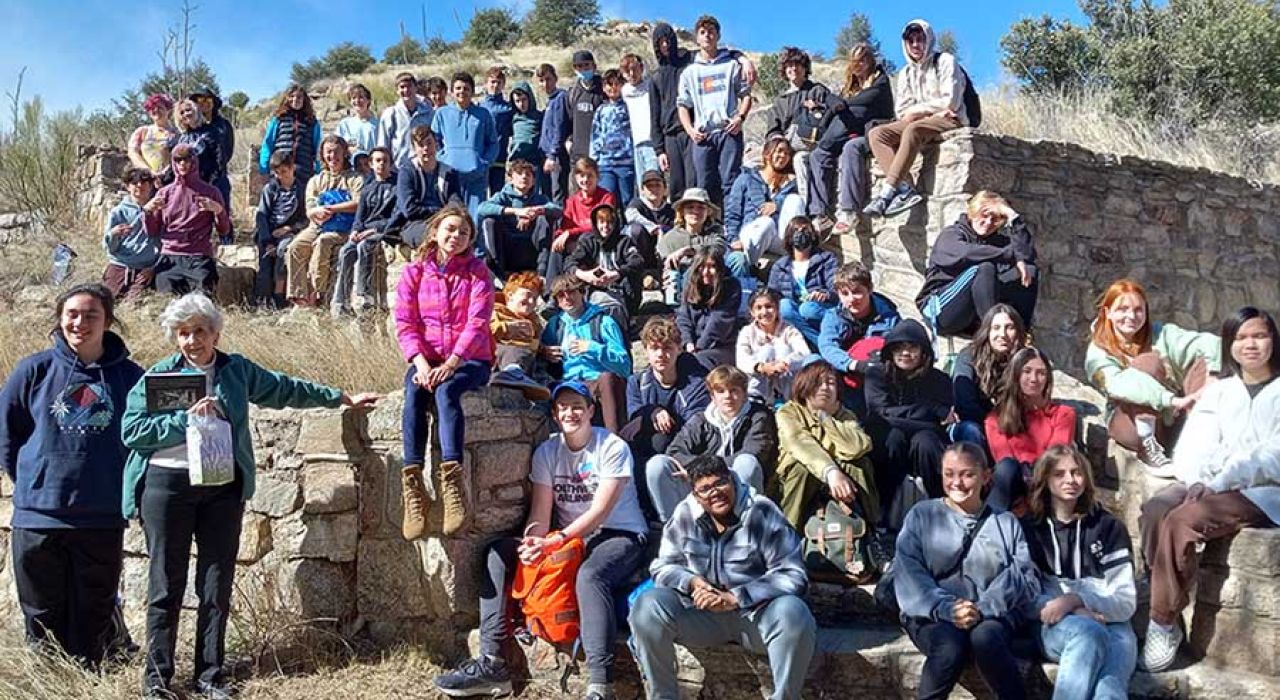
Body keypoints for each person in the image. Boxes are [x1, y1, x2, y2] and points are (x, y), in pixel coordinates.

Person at [121, 293, 378, 697]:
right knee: (165, 584)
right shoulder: (159, 376)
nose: (192, 341)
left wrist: (340, 397)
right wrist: (183, 421)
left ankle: (209, 677)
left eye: (200, 331)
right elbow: (132, 431)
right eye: (184, 333)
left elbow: (284, 389)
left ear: (215, 334)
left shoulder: (235, 371)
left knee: (216, 583)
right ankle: (157, 680)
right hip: (167, 487)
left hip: (221, 487)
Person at [432, 381, 648, 700]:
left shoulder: (611, 447)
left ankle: (600, 685)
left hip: (618, 533)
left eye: (578, 406)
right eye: (563, 408)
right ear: (555, 415)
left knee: (590, 576)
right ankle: (492, 663)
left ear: (591, 411)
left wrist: (555, 540)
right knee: (498, 553)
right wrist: (533, 544)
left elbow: (600, 511)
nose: (570, 413)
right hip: (566, 538)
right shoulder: (548, 451)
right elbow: (541, 513)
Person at [0, 284, 144, 667]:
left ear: (108, 321)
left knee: (92, 617)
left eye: (91, 315)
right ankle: (48, 681)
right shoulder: (33, 371)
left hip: (101, 517)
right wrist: (35, 482)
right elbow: (7, 436)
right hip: (39, 517)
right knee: (41, 616)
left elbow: (145, 439)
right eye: (72, 315)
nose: (81, 322)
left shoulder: (130, 378)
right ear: (60, 319)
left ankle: (87, 682)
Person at [1138, 306, 1280, 672]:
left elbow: (1271, 458)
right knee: (1156, 510)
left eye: (1259, 336)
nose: (1251, 344)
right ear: (1229, 344)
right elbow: (1193, 444)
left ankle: (1162, 621)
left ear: (1273, 341)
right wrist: (1198, 480)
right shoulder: (1221, 391)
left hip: (1263, 492)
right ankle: (1164, 600)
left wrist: (1217, 484)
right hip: (1206, 482)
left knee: (1183, 521)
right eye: (1241, 337)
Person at [630, 454, 815, 700]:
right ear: (695, 495)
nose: (715, 493)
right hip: (702, 615)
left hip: (756, 617)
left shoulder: (761, 511)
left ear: (732, 480)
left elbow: (793, 574)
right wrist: (693, 583)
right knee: (646, 606)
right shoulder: (685, 513)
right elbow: (662, 566)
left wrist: (735, 597)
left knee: (794, 612)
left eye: (720, 483)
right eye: (705, 489)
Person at [893, 442, 1040, 700]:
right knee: (949, 647)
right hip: (934, 614)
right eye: (949, 474)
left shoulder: (1005, 522)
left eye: (967, 474)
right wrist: (948, 609)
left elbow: (1022, 574)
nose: (957, 483)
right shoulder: (921, 515)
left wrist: (982, 608)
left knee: (986, 638)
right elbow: (909, 572)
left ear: (986, 476)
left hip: (992, 613)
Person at [395, 207, 493, 540]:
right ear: (435, 231)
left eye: (463, 232)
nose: (456, 237)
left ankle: (452, 486)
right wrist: (421, 364)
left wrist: (452, 363)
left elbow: (477, 323)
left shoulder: (478, 273)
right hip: (427, 360)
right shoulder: (414, 272)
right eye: (450, 229)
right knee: (414, 392)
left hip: (470, 360)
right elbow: (405, 322)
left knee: (446, 391)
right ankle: (413, 487)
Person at [1023, 445, 1137, 700]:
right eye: (1059, 474)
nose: (1070, 480)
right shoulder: (1030, 530)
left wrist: (1078, 600)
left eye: (1076, 472)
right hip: (1058, 627)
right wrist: (1074, 610)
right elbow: (1029, 600)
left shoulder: (1109, 527)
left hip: (1113, 623)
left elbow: (1125, 601)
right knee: (1087, 633)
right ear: (1045, 480)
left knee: (1109, 689)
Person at [1085, 279, 1220, 474]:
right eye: (1123, 309)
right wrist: (1171, 400)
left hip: (1173, 419)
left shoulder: (1162, 334)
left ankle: (1203, 443)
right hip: (1131, 425)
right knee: (1148, 362)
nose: (1131, 316)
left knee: (1205, 363)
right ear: (1108, 313)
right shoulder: (1097, 352)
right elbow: (1121, 385)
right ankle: (1150, 448)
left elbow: (1211, 342)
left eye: (1138, 310)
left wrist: (1212, 376)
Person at [863, 19, 973, 218]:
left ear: (928, 40)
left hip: (951, 119)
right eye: (910, 41)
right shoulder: (906, 73)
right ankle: (905, 188)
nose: (915, 45)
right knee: (877, 134)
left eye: (920, 39)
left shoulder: (945, 61)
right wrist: (925, 112)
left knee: (912, 130)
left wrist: (918, 112)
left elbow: (951, 101)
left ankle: (887, 193)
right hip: (927, 118)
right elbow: (902, 111)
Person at [645, 365, 776, 522]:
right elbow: (674, 450)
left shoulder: (759, 416)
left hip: (735, 482)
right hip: (699, 485)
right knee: (658, 464)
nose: (727, 396)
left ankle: (743, 525)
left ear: (744, 394)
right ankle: (676, 527)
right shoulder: (701, 419)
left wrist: (707, 472)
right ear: (712, 396)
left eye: (734, 390)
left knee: (746, 462)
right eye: (721, 391)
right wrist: (698, 472)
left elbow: (754, 452)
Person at [772, 360, 879, 531]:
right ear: (804, 386)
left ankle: (870, 528)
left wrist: (826, 418)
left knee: (859, 464)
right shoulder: (788, 411)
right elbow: (799, 442)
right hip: (802, 477)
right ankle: (788, 532)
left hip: (839, 478)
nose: (825, 388)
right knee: (800, 469)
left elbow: (857, 447)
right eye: (817, 383)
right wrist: (831, 471)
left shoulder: (845, 415)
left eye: (830, 383)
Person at [917, 191, 1038, 338]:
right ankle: (993, 333)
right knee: (984, 268)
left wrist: (1012, 216)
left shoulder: (999, 243)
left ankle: (1020, 335)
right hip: (939, 310)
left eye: (995, 219)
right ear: (973, 213)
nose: (988, 222)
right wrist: (1010, 255)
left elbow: (1026, 256)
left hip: (972, 316)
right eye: (984, 215)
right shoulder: (952, 234)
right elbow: (965, 253)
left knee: (1029, 271)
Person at [808, 42, 895, 234]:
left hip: (875, 133)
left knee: (851, 148)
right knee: (817, 155)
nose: (859, 64)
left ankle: (849, 212)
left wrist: (834, 101)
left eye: (863, 59)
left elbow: (863, 101)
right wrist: (833, 103)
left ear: (870, 60)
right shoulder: (850, 88)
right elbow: (838, 109)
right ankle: (820, 214)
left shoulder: (880, 82)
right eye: (855, 60)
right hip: (850, 132)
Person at [865, 319, 953, 504]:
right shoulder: (877, 375)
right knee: (893, 437)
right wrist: (928, 411)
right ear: (890, 351)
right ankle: (882, 507)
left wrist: (896, 415)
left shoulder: (939, 380)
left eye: (912, 347)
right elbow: (879, 413)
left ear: (923, 351)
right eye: (899, 348)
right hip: (889, 437)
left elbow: (941, 425)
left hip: (924, 440)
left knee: (927, 442)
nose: (905, 353)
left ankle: (942, 503)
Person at [985, 347, 1077, 512]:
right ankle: (989, 524)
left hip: (1045, 483)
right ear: (1016, 375)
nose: (1034, 379)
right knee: (1007, 467)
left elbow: (1054, 458)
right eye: (1027, 371)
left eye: (1041, 373)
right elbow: (1004, 461)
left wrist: (1029, 502)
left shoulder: (1064, 415)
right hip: (1013, 486)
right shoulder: (995, 419)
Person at [539, 274, 632, 432]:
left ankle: (614, 438)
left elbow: (624, 366)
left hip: (597, 382)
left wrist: (593, 348)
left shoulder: (604, 322)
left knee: (607, 378)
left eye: (571, 292)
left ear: (582, 292)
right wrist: (544, 352)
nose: (567, 298)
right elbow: (540, 355)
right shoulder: (555, 325)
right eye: (561, 295)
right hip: (568, 382)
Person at [677, 15, 753, 206]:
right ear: (697, 38)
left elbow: (746, 95)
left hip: (728, 132)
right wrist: (690, 130)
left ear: (718, 35)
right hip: (703, 136)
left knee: (731, 182)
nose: (707, 36)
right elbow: (683, 105)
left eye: (711, 32)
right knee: (704, 186)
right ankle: (709, 222)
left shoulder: (731, 65)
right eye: (702, 32)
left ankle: (731, 221)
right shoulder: (689, 72)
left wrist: (740, 118)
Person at [622, 317, 711, 474]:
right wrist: (652, 411)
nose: (661, 354)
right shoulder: (637, 382)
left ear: (679, 349)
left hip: (686, 451)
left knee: (660, 440)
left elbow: (694, 423)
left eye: (667, 348)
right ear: (646, 350)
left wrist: (658, 419)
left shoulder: (697, 382)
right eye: (654, 348)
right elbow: (634, 417)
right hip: (647, 450)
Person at [143, 144, 230, 295]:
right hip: (170, 256)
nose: (182, 164)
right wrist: (148, 212)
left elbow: (224, 230)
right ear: (173, 163)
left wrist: (219, 211)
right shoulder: (164, 193)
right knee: (165, 296)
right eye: (178, 160)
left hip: (198, 256)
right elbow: (152, 231)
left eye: (187, 159)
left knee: (202, 298)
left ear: (194, 161)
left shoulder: (210, 192)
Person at [286, 135, 363, 307]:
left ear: (344, 154)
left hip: (344, 228)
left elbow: (358, 203)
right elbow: (310, 208)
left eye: (336, 152)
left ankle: (316, 292)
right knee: (295, 247)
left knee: (323, 242)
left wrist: (332, 209)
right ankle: (299, 297)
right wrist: (317, 212)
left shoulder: (355, 179)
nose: (332, 156)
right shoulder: (316, 181)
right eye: (328, 152)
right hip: (318, 226)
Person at [816, 261, 902, 415]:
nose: (851, 299)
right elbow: (827, 346)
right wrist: (853, 364)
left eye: (856, 292)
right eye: (844, 294)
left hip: (878, 375)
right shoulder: (833, 316)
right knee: (813, 362)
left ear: (870, 289)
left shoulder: (889, 316)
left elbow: (900, 345)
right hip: (846, 371)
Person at [765, 47, 833, 213]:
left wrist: (817, 108)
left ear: (805, 68)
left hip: (812, 145)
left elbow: (831, 116)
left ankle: (805, 210)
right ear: (784, 70)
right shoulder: (780, 101)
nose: (794, 69)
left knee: (800, 159)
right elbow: (773, 130)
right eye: (789, 65)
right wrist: (780, 143)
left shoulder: (817, 91)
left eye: (798, 65)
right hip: (785, 147)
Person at [332, 146, 398, 317]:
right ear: (371, 164)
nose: (381, 164)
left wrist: (373, 230)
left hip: (384, 231)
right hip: (365, 230)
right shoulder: (368, 187)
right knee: (347, 250)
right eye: (378, 161)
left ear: (391, 163)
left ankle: (365, 295)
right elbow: (360, 215)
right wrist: (355, 230)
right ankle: (342, 301)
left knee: (365, 246)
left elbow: (397, 216)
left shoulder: (397, 186)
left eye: (385, 161)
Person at [950, 304, 1027, 449]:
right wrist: (994, 425)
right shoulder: (969, 356)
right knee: (971, 430)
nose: (1002, 334)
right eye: (996, 328)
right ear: (987, 331)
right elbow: (964, 403)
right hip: (975, 423)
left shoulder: (1025, 360)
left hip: (1011, 425)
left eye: (1009, 327)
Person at [656, 188, 747, 305]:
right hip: (687, 285)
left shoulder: (716, 230)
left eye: (701, 208)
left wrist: (688, 251)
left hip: (716, 277)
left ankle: (739, 305)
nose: (695, 212)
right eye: (690, 207)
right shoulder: (670, 238)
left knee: (738, 258)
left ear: (708, 211)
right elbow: (663, 266)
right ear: (682, 211)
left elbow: (718, 248)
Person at [724, 135, 803, 268]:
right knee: (766, 223)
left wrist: (777, 205)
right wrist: (733, 239)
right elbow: (733, 212)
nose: (783, 156)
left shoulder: (791, 183)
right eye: (779, 151)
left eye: (787, 153)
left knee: (795, 200)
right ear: (767, 154)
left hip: (779, 237)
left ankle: (795, 254)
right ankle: (747, 265)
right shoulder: (747, 178)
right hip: (752, 232)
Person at [477, 159, 562, 282]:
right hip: (507, 247)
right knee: (489, 221)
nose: (524, 177)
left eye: (528, 174)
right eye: (519, 173)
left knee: (544, 217)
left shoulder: (540, 198)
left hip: (531, 247)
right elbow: (482, 208)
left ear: (533, 180)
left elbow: (558, 210)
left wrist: (536, 211)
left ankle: (542, 274)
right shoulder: (502, 196)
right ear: (511, 178)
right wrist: (516, 211)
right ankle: (498, 274)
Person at [432, 72, 499, 222]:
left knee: (475, 219)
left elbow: (493, 143)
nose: (462, 91)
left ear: (472, 92)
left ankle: (477, 239)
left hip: (476, 176)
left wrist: (484, 163)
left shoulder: (483, 114)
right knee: (451, 218)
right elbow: (435, 141)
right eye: (458, 88)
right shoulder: (442, 113)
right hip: (450, 176)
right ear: (451, 92)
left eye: (466, 88)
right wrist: (442, 159)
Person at [568, 202, 643, 330]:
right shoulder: (588, 241)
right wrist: (586, 275)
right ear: (596, 223)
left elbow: (637, 261)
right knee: (571, 276)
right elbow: (570, 262)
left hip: (621, 289)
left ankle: (630, 318)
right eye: (602, 222)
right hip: (594, 287)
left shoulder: (624, 241)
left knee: (633, 273)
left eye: (609, 222)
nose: (605, 226)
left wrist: (617, 274)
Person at [766, 217, 838, 348]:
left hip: (818, 308)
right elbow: (772, 295)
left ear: (813, 234)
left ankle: (822, 344)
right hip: (794, 315)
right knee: (784, 307)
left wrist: (824, 294)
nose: (800, 234)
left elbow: (836, 287)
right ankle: (823, 345)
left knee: (807, 309)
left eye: (805, 230)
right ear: (789, 236)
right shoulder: (780, 266)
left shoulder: (826, 259)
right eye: (795, 230)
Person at [547, 157, 616, 288]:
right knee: (557, 245)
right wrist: (562, 236)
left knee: (585, 237)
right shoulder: (572, 201)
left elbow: (600, 225)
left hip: (597, 242)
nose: (585, 180)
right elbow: (565, 226)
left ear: (597, 177)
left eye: (590, 175)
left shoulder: (606, 197)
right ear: (576, 178)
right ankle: (550, 291)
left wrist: (570, 233)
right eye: (582, 175)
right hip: (575, 243)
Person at [735, 288, 810, 407]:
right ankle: (759, 400)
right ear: (752, 312)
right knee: (766, 351)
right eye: (759, 308)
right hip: (758, 387)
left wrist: (784, 363)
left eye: (769, 306)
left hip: (787, 386)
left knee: (783, 349)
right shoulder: (747, 332)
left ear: (777, 308)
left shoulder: (789, 329)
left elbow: (804, 352)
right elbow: (741, 359)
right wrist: (761, 367)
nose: (764, 312)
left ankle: (786, 399)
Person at [389, 126, 461, 249]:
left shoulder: (449, 172)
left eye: (429, 143)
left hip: (444, 220)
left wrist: (445, 216)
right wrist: (440, 212)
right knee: (435, 236)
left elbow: (456, 202)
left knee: (463, 234)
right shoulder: (407, 172)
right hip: (413, 223)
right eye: (421, 145)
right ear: (414, 149)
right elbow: (409, 209)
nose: (426, 148)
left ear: (436, 144)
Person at [252, 151, 308, 308]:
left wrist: (290, 228)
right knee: (265, 263)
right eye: (277, 173)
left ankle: (279, 296)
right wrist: (267, 241)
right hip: (269, 233)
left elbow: (306, 218)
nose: (281, 176)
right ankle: (262, 301)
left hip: (289, 232)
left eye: (284, 171)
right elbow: (262, 216)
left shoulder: (301, 190)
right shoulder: (270, 189)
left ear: (292, 168)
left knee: (283, 251)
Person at [676, 247, 743, 371]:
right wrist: (688, 342)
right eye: (702, 266)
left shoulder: (731, 286)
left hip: (721, 346)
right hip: (692, 345)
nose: (706, 272)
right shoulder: (691, 284)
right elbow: (683, 317)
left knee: (697, 363)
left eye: (712, 266)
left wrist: (699, 347)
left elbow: (719, 322)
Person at [549, 51, 606, 196]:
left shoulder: (604, 90)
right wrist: (569, 142)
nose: (583, 69)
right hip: (578, 155)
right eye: (579, 66)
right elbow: (567, 122)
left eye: (587, 65)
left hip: (601, 156)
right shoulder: (572, 94)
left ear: (594, 66)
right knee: (578, 196)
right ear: (574, 69)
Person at [102, 167, 160, 300]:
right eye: (134, 183)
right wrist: (113, 235)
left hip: (146, 268)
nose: (139, 186)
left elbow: (165, 243)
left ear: (151, 186)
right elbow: (110, 248)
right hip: (120, 265)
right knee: (108, 302)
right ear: (128, 187)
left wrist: (154, 267)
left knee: (134, 303)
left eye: (144, 182)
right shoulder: (118, 212)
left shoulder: (159, 210)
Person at [189, 89, 235, 241]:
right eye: (199, 100)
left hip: (219, 176)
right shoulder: (192, 126)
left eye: (208, 100)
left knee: (222, 213)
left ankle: (227, 246)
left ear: (214, 103)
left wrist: (216, 170)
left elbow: (228, 150)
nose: (204, 104)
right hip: (197, 178)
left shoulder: (223, 125)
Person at [258, 85, 322, 190]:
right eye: (292, 96)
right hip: (280, 171)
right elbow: (268, 144)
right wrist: (264, 169)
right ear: (287, 98)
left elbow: (317, 148)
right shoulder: (278, 119)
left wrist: (318, 171)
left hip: (304, 172)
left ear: (304, 100)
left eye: (299, 97)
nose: (295, 99)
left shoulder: (312, 122)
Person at [590, 69, 636, 203]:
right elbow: (595, 134)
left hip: (626, 162)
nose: (613, 88)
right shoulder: (601, 110)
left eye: (617, 84)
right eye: (609, 85)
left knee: (627, 199)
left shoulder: (628, 106)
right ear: (604, 88)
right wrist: (594, 159)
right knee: (606, 199)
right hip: (605, 163)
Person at [489, 271, 545, 377]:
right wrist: (506, 328)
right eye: (527, 295)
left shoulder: (534, 322)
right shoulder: (493, 311)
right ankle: (512, 375)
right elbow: (481, 333)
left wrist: (544, 350)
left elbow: (535, 345)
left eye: (534, 298)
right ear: (511, 295)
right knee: (514, 350)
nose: (531, 301)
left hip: (528, 363)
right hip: (498, 359)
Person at [379, 71, 434, 169]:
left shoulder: (427, 112)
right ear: (397, 90)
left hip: (424, 166)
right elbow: (383, 145)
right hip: (399, 168)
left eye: (409, 86)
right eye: (402, 87)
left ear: (415, 88)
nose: (406, 90)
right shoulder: (391, 114)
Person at [620, 53, 660, 184]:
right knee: (641, 185)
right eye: (627, 71)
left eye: (634, 69)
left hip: (651, 142)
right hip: (634, 145)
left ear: (641, 68)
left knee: (653, 180)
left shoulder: (651, 86)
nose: (632, 74)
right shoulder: (623, 91)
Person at [625, 169, 674, 271]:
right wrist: (653, 228)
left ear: (665, 189)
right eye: (649, 186)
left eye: (657, 185)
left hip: (665, 254)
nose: (654, 189)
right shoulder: (637, 204)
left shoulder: (671, 210)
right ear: (642, 190)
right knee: (635, 229)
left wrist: (662, 230)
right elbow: (630, 216)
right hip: (642, 252)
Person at [536, 62, 571, 202]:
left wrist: (552, 155)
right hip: (544, 155)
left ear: (555, 79)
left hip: (556, 157)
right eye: (541, 81)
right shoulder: (549, 101)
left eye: (548, 79)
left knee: (557, 195)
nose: (545, 84)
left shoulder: (560, 98)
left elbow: (559, 129)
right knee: (546, 195)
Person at [168, 98, 221, 187]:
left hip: (210, 184)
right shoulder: (181, 138)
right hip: (188, 186)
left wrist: (211, 184)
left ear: (196, 110)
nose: (186, 114)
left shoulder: (211, 131)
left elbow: (219, 161)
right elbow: (175, 163)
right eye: (182, 113)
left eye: (188, 110)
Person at [478, 67, 513, 196]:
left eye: (499, 82)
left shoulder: (508, 108)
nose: (495, 85)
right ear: (486, 83)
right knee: (479, 193)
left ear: (503, 84)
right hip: (481, 157)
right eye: (492, 82)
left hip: (499, 158)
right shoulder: (479, 107)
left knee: (497, 194)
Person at [507, 81, 546, 196]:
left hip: (534, 162)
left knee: (534, 194)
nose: (521, 104)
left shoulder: (539, 117)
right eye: (517, 101)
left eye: (524, 99)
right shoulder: (514, 118)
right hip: (517, 162)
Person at [128, 93, 177, 178]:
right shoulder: (142, 132)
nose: (156, 110)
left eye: (160, 107)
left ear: (168, 110)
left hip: (172, 178)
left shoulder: (178, 133)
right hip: (147, 179)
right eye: (152, 108)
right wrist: (148, 171)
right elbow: (132, 153)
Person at [335, 83, 380, 167]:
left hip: (372, 168)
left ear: (368, 100)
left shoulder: (378, 124)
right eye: (354, 98)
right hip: (350, 168)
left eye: (361, 97)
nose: (357, 101)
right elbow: (337, 147)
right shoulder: (344, 124)